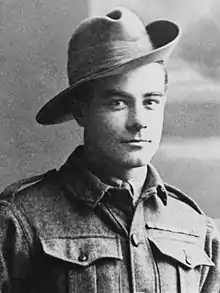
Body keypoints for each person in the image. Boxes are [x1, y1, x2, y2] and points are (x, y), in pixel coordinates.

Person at [0, 6, 219, 293]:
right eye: (118, 102)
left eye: (151, 101)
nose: (139, 121)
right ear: (81, 111)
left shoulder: (196, 228)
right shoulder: (20, 220)